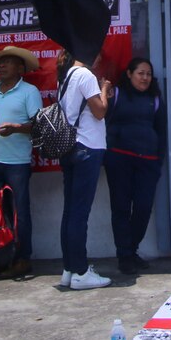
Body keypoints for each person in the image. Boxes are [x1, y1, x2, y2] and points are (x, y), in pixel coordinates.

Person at [0, 45, 42, 280]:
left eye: (7, 62)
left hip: (17, 162)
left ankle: (22, 260)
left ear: (20, 68)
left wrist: (16, 128)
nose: (1, 66)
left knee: (19, 213)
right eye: (0, 63)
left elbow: (38, 125)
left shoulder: (29, 92)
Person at [56, 49, 114, 290]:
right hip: (88, 146)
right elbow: (99, 112)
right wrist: (104, 90)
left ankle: (69, 269)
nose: (99, 60)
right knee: (79, 213)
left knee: (70, 211)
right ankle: (80, 272)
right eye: (97, 55)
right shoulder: (85, 75)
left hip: (70, 148)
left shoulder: (65, 76)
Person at [104, 57, 167, 275]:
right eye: (140, 73)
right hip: (119, 160)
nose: (145, 78)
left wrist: (158, 161)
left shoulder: (155, 99)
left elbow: (162, 132)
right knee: (120, 208)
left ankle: (131, 250)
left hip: (148, 162)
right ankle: (125, 256)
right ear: (129, 74)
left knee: (143, 208)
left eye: (148, 74)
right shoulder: (116, 95)